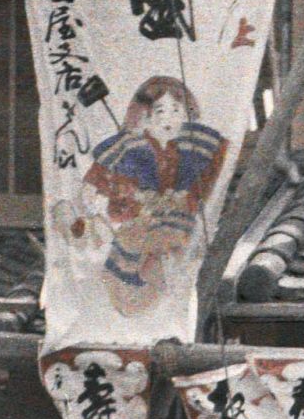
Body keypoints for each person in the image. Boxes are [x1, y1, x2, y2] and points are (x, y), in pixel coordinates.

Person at [77, 77, 229, 317]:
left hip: (176, 229)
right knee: (127, 272)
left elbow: (201, 191)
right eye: (160, 111)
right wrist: (133, 195)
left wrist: (180, 198)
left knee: (169, 270)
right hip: (136, 228)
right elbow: (93, 187)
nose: (167, 118)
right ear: (146, 115)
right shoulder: (127, 147)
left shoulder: (195, 149)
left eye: (176, 110)